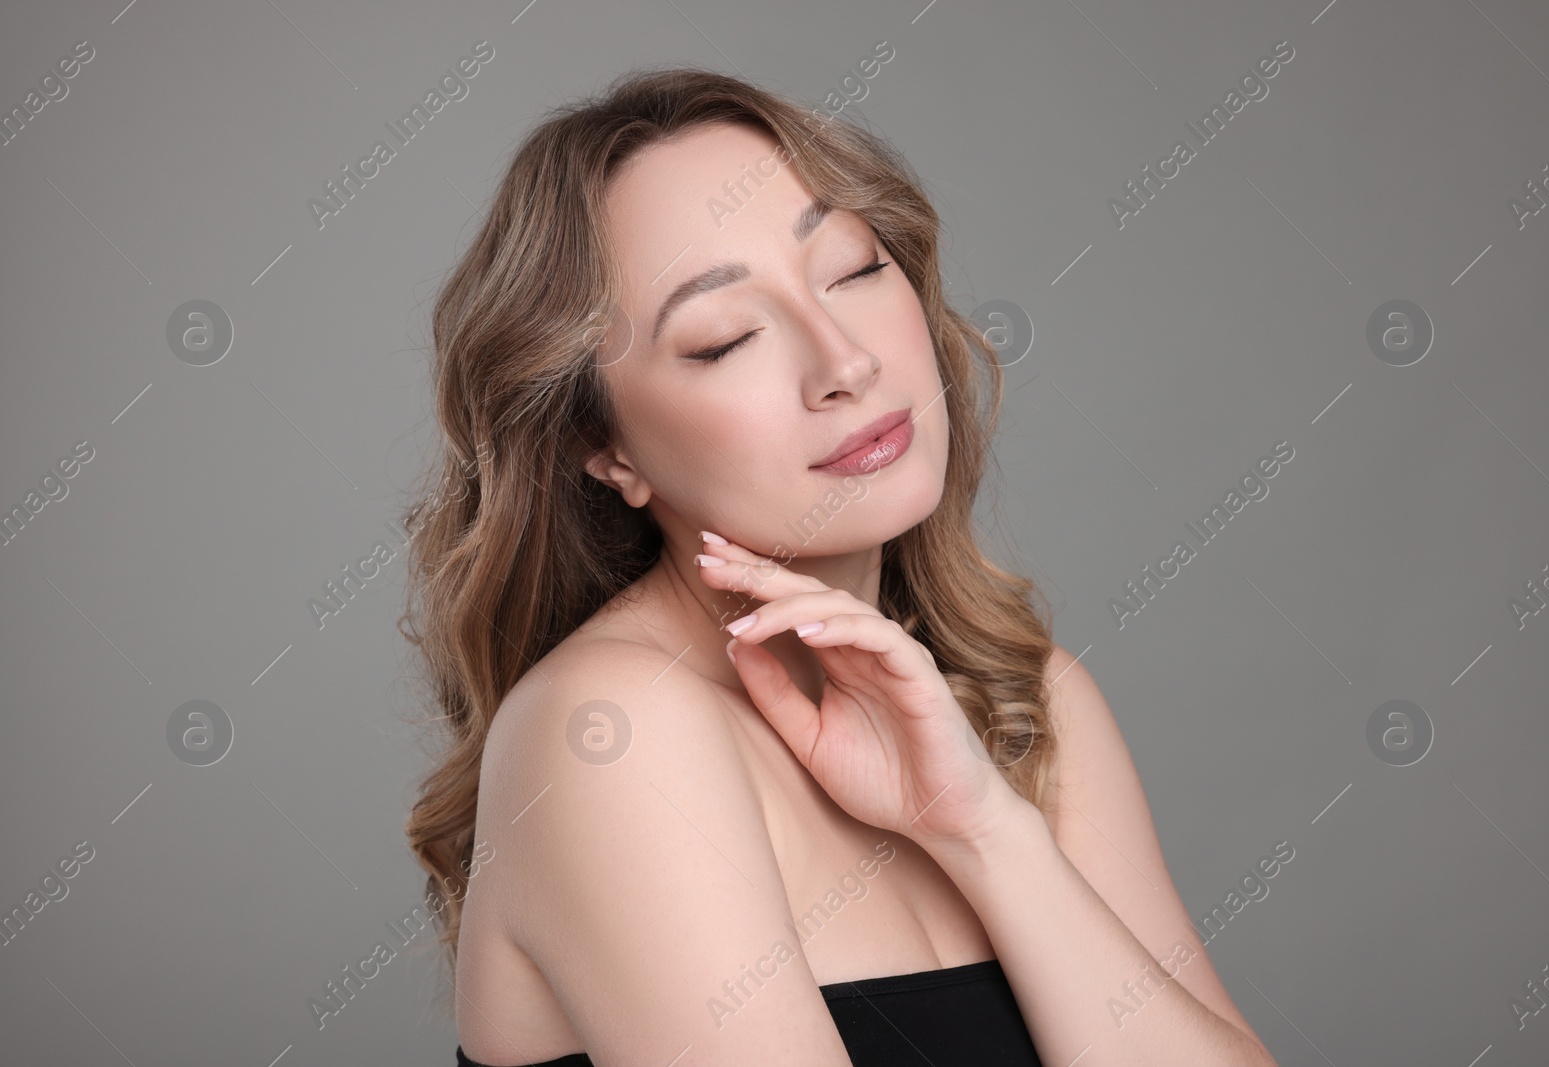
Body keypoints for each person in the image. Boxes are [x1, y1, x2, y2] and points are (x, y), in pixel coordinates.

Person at [400, 65, 1277, 1067]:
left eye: (854, 269)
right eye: (726, 337)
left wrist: (985, 831)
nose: (844, 361)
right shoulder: (609, 730)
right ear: (604, 446)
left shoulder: (1029, 701)